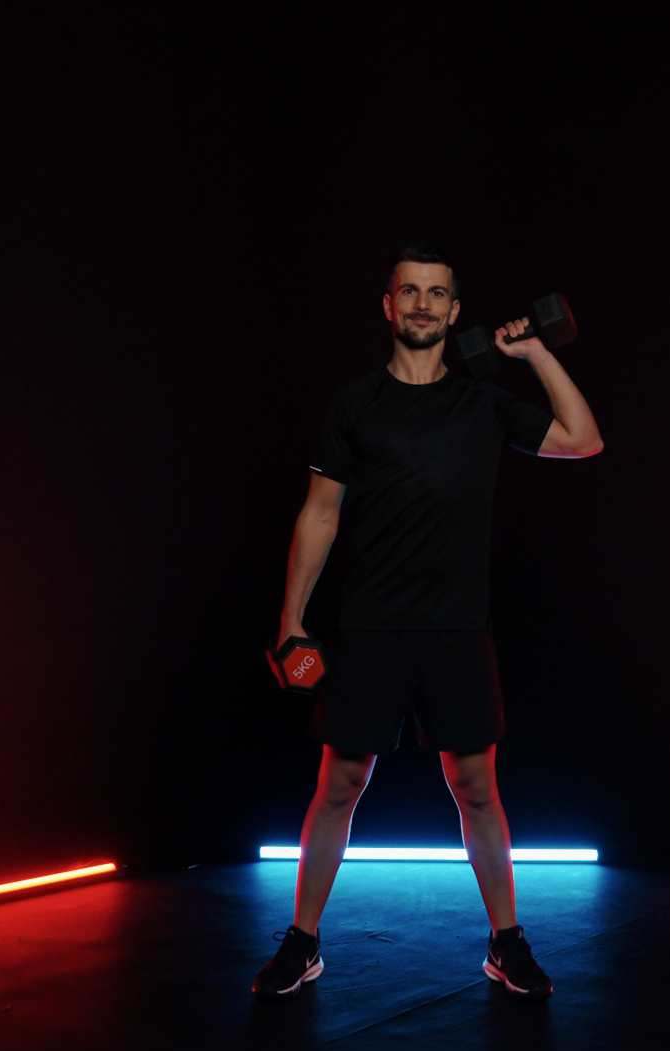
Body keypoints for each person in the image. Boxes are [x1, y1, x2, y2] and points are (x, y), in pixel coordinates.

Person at [251, 245, 602, 1001]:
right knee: (339, 783)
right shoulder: (354, 405)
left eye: (436, 294)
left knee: (476, 787)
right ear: (389, 305)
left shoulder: (484, 404)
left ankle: (506, 943)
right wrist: (290, 619)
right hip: (370, 627)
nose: (421, 304)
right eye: (409, 291)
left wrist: (534, 352)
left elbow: (583, 438)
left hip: (456, 630)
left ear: (454, 310)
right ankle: (302, 943)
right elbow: (319, 514)